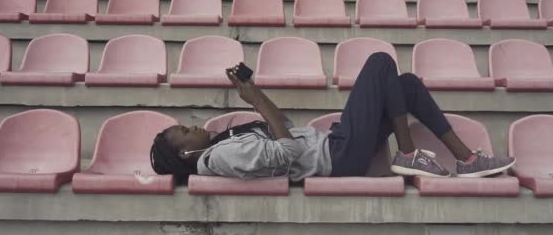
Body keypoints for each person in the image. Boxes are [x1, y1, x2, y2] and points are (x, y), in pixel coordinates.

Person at [150, 52, 515, 184]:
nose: (194, 125)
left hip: (336, 145)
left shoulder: (220, 143)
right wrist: (259, 100)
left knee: (405, 84)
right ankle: (406, 154)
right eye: (185, 131)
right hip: (337, 157)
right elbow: (286, 154)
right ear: (184, 154)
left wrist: (260, 101)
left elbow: (286, 132)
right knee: (379, 62)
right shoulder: (220, 157)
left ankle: (467, 160)